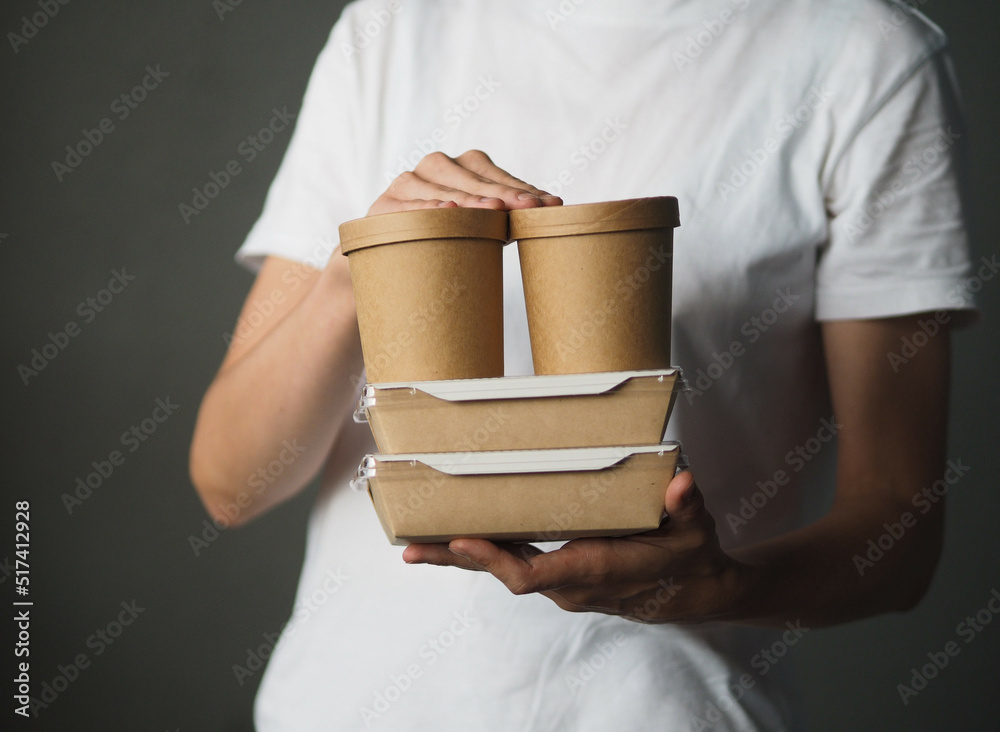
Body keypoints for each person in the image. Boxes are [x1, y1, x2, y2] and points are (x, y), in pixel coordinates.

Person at [189, 0, 976, 728]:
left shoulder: (863, 52)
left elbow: (898, 532)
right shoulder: (393, 26)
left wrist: (714, 586)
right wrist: (353, 269)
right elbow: (233, 482)